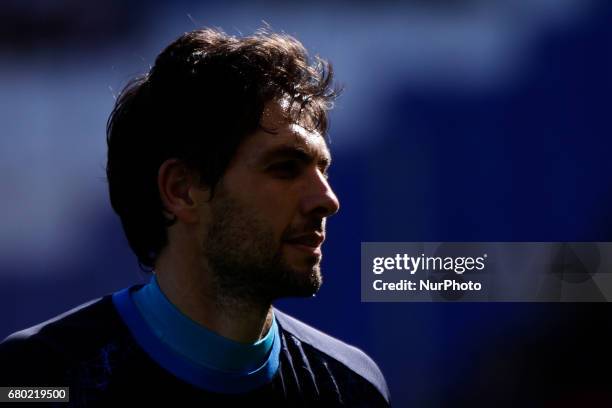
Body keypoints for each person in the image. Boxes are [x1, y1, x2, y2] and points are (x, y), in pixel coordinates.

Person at [0, 28, 390, 406]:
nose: (328, 199)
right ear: (182, 191)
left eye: (324, 170)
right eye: (286, 168)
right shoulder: (36, 377)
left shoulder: (351, 388)